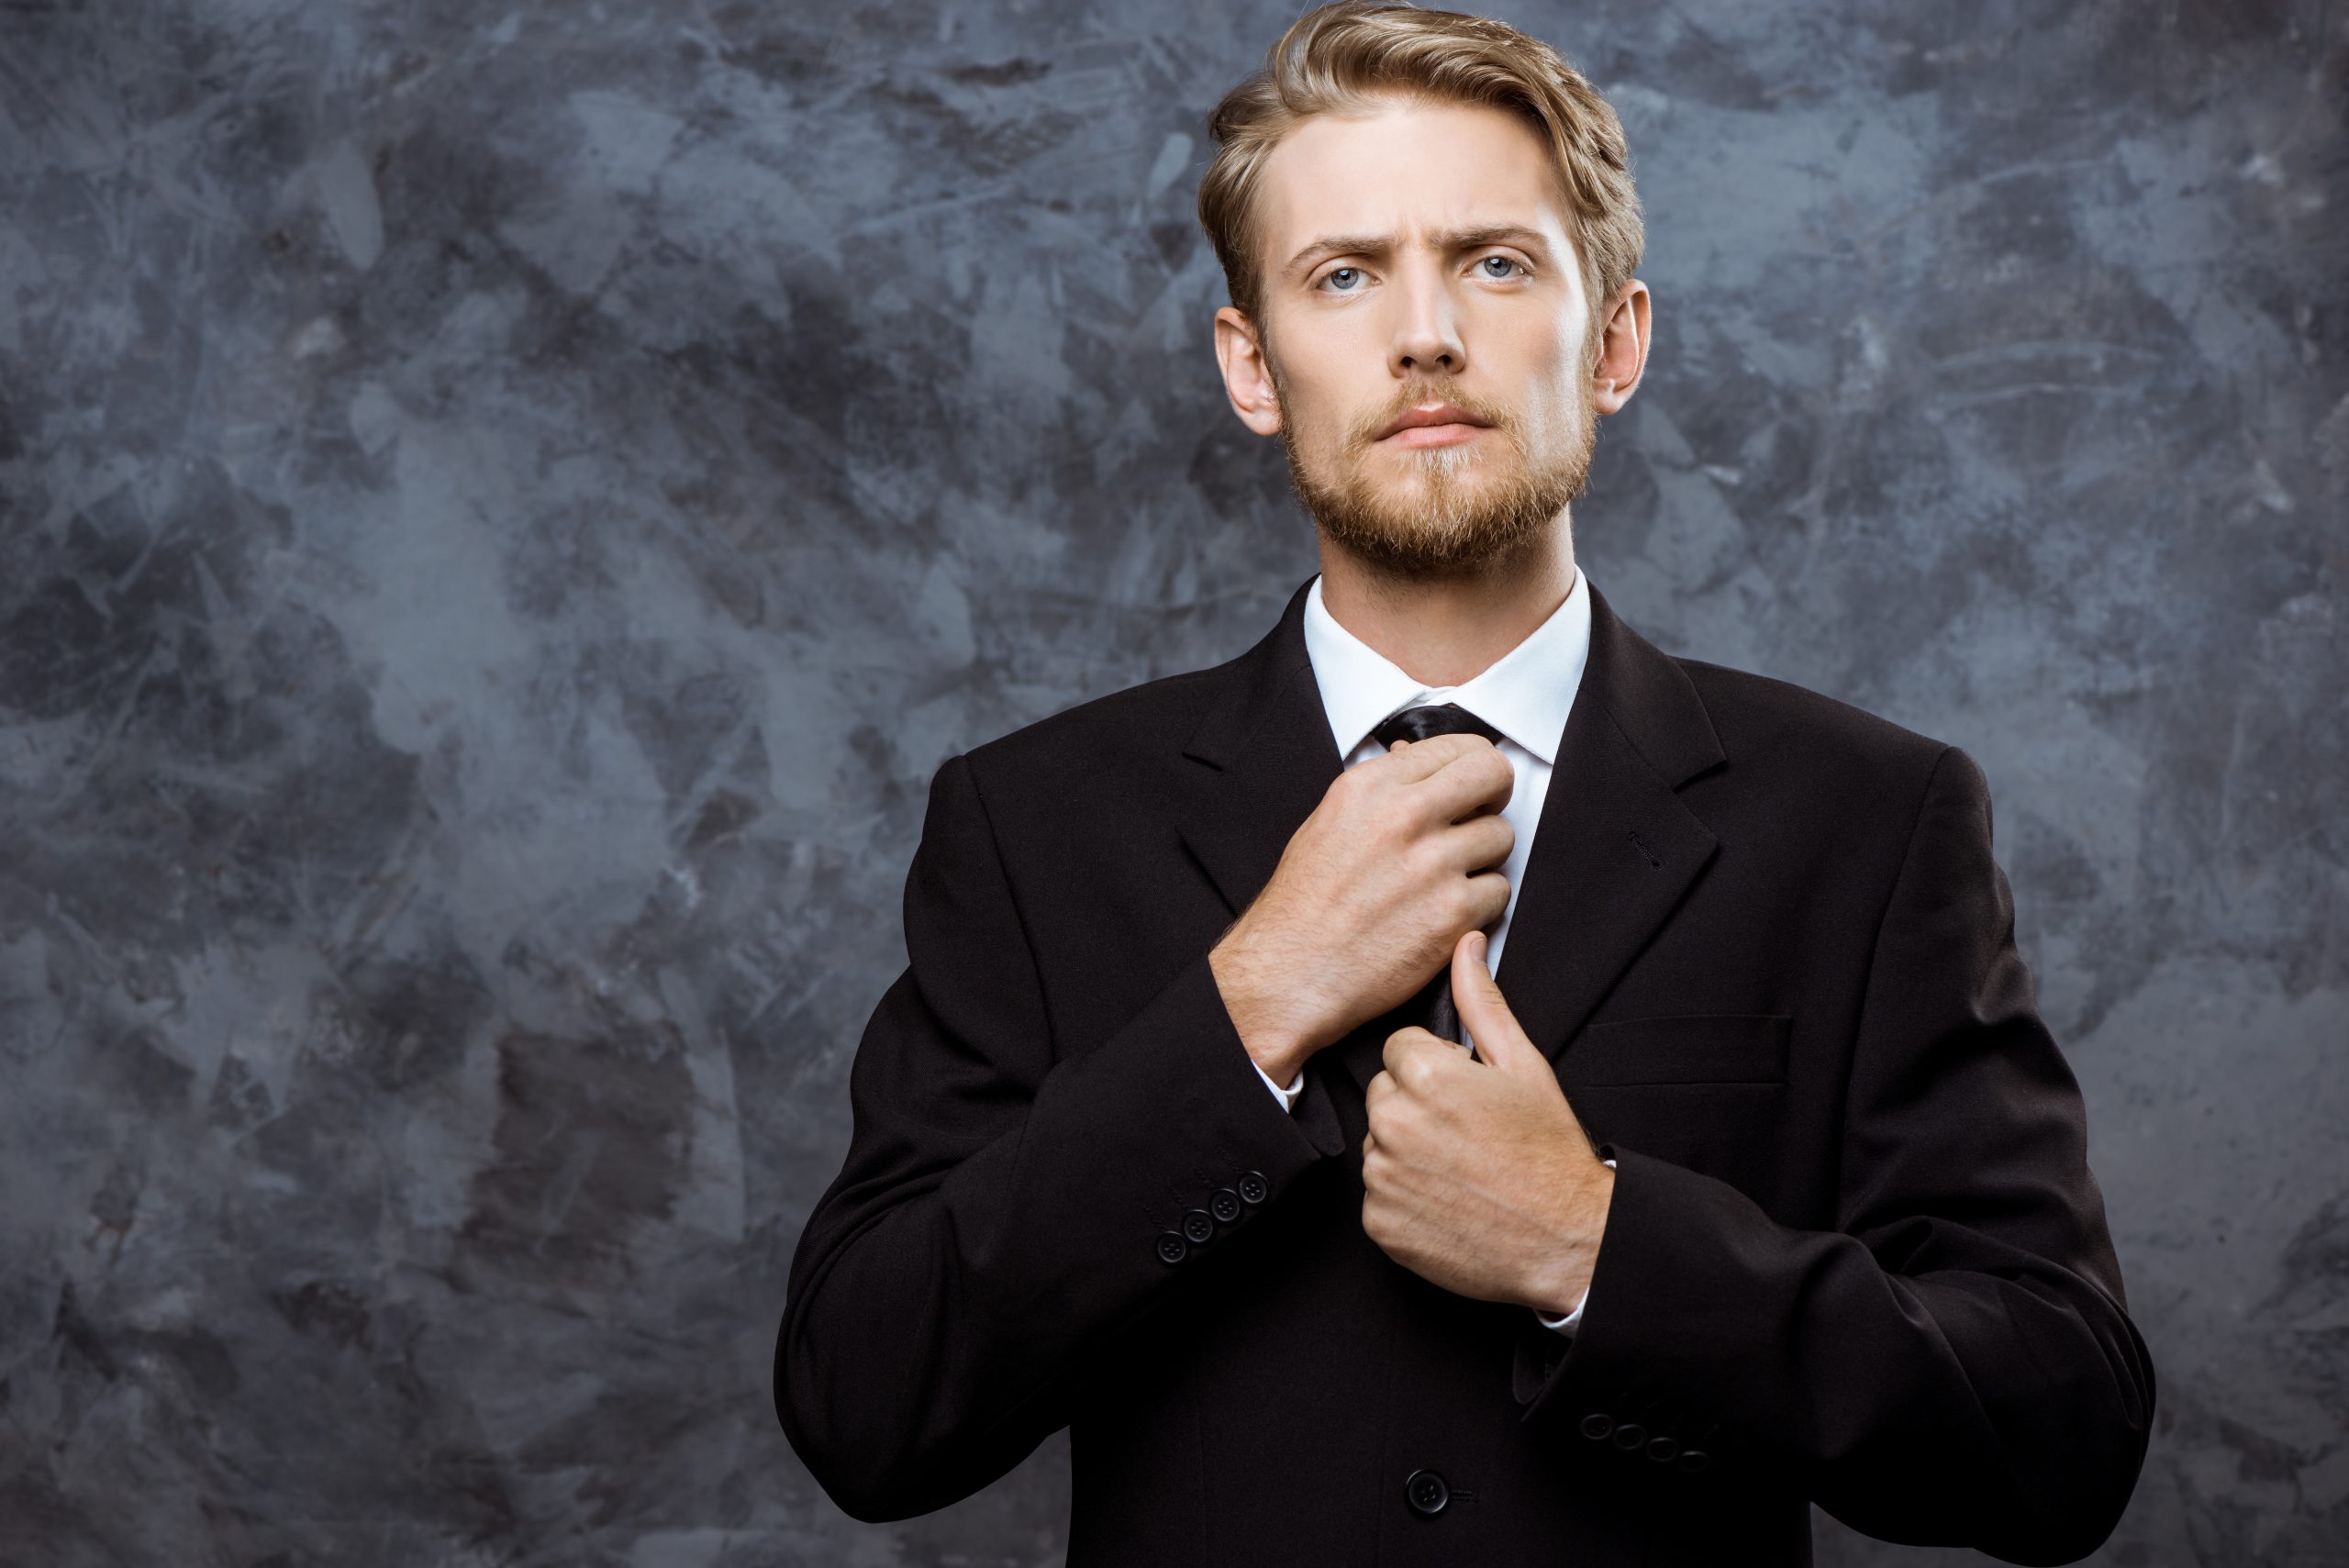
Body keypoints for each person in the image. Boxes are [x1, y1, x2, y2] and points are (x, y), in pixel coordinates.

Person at [773, 4, 2155, 1562]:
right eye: (1344, 274)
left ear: (1617, 339)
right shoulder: (1031, 828)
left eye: (1496, 261)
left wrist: (1594, 1244)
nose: (1424, 332)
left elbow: (2063, 1427)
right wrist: (1250, 1010)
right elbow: (861, 1401)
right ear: (1252, 362)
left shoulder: (1869, 823)